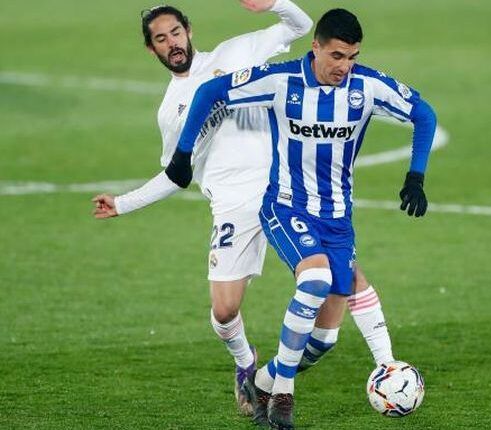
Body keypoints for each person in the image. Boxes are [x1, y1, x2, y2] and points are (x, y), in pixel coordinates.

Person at [91, 2, 396, 418]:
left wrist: (274, 4)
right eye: (161, 39)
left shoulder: (237, 53)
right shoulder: (171, 111)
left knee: (334, 310)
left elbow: (303, 26)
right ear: (152, 49)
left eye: (175, 32)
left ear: (188, 30)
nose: (172, 43)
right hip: (234, 206)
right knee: (224, 310)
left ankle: (336, 371)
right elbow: (176, 174)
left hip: (289, 193)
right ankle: (245, 364)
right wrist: (123, 203)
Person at [164, 8, 436, 429]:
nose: (345, 67)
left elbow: (424, 114)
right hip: (286, 206)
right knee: (314, 279)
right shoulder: (282, 81)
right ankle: (284, 396)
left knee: (325, 338)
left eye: (353, 57)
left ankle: (263, 379)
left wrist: (415, 175)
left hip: (338, 218)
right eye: (337, 56)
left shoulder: (367, 87)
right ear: (316, 48)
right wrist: (182, 154)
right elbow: (210, 92)